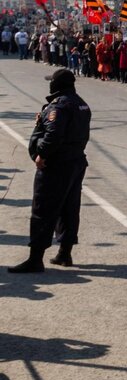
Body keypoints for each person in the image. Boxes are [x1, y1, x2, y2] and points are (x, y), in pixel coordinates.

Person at [8, 69, 92, 273]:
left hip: (56, 164)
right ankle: (65, 252)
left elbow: (54, 134)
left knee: (43, 209)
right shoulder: (81, 104)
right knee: (69, 208)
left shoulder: (60, 106)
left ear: (57, 84)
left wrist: (42, 154)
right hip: (75, 161)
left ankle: (35, 258)